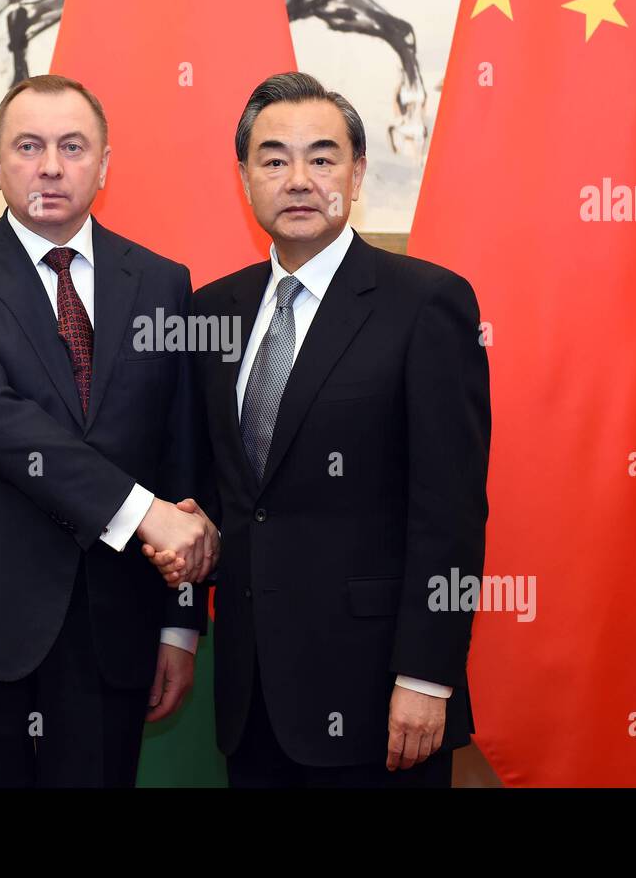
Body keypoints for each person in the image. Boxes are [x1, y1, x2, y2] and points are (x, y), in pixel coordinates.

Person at [149, 71, 490, 787]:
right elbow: (204, 494)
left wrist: (428, 676)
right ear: (244, 177)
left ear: (357, 174)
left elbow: (450, 513)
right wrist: (180, 619)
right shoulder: (213, 311)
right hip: (251, 696)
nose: (298, 179)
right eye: (273, 159)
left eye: (322, 158)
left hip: (380, 697)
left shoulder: (426, 303)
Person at [0, 74, 219, 787]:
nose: (50, 165)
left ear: (104, 166)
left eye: (73, 147)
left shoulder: (164, 284)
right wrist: (144, 514)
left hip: (114, 625)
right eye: (29, 146)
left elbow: (180, 455)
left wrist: (179, 622)